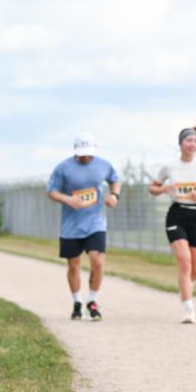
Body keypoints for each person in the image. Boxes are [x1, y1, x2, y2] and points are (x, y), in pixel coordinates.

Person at [148, 122, 196, 323]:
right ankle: (189, 308)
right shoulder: (169, 166)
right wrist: (164, 189)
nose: (192, 144)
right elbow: (152, 189)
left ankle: (186, 288)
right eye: (188, 140)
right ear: (181, 144)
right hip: (177, 214)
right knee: (184, 261)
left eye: (194, 141)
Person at [46, 134, 122, 321]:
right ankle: (77, 301)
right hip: (71, 226)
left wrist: (114, 195)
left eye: (89, 154)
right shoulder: (63, 168)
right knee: (74, 265)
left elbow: (115, 179)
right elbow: (51, 191)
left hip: (95, 222)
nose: (86, 157)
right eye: (82, 154)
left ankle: (92, 301)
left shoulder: (103, 164)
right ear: (75, 151)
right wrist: (67, 199)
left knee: (97, 260)